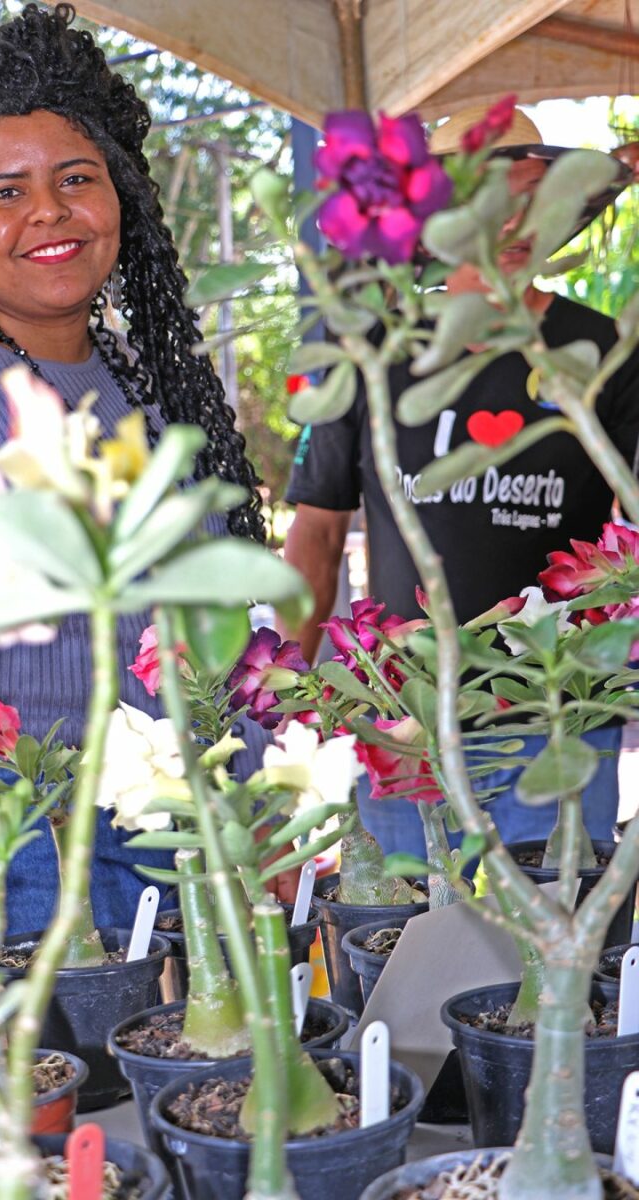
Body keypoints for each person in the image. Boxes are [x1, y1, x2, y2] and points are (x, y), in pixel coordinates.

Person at [0, 4, 267, 981]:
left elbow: (206, 619)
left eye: (77, 179)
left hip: (169, 819)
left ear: (117, 194)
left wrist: (248, 810)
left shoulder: (147, 381)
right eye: (5, 190)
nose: (49, 212)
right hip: (2, 834)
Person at [283, 108, 639, 858]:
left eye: (534, 195)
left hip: (558, 713)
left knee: (564, 948)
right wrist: (290, 716)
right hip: (405, 718)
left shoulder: (605, 350)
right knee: (403, 939)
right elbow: (316, 531)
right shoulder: (374, 349)